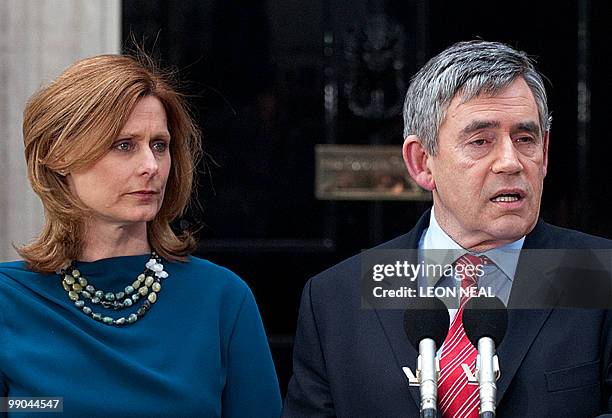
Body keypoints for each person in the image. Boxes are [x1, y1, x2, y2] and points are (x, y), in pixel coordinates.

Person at [283, 41, 612, 417]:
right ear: (422, 162)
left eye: (525, 139)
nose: (510, 162)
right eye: (480, 141)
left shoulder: (597, 275)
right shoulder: (336, 298)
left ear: (546, 153)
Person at [0, 53, 282, 417]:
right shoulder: (9, 300)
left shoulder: (221, 298)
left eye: (159, 145)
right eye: (124, 145)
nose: (150, 166)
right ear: (59, 156)